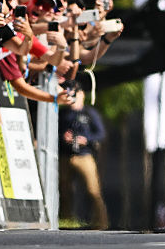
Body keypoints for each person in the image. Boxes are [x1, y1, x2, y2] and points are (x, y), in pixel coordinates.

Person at [59, 89, 109, 229]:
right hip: (66, 155)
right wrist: (64, 137)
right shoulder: (63, 113)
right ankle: (66, 219)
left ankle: (100, 222)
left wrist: (86, 140)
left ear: (82, 94)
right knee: (64, 189)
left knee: (93, 190)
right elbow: (55, 132)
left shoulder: (89, 113)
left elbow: (101, 134)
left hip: (84, 155)